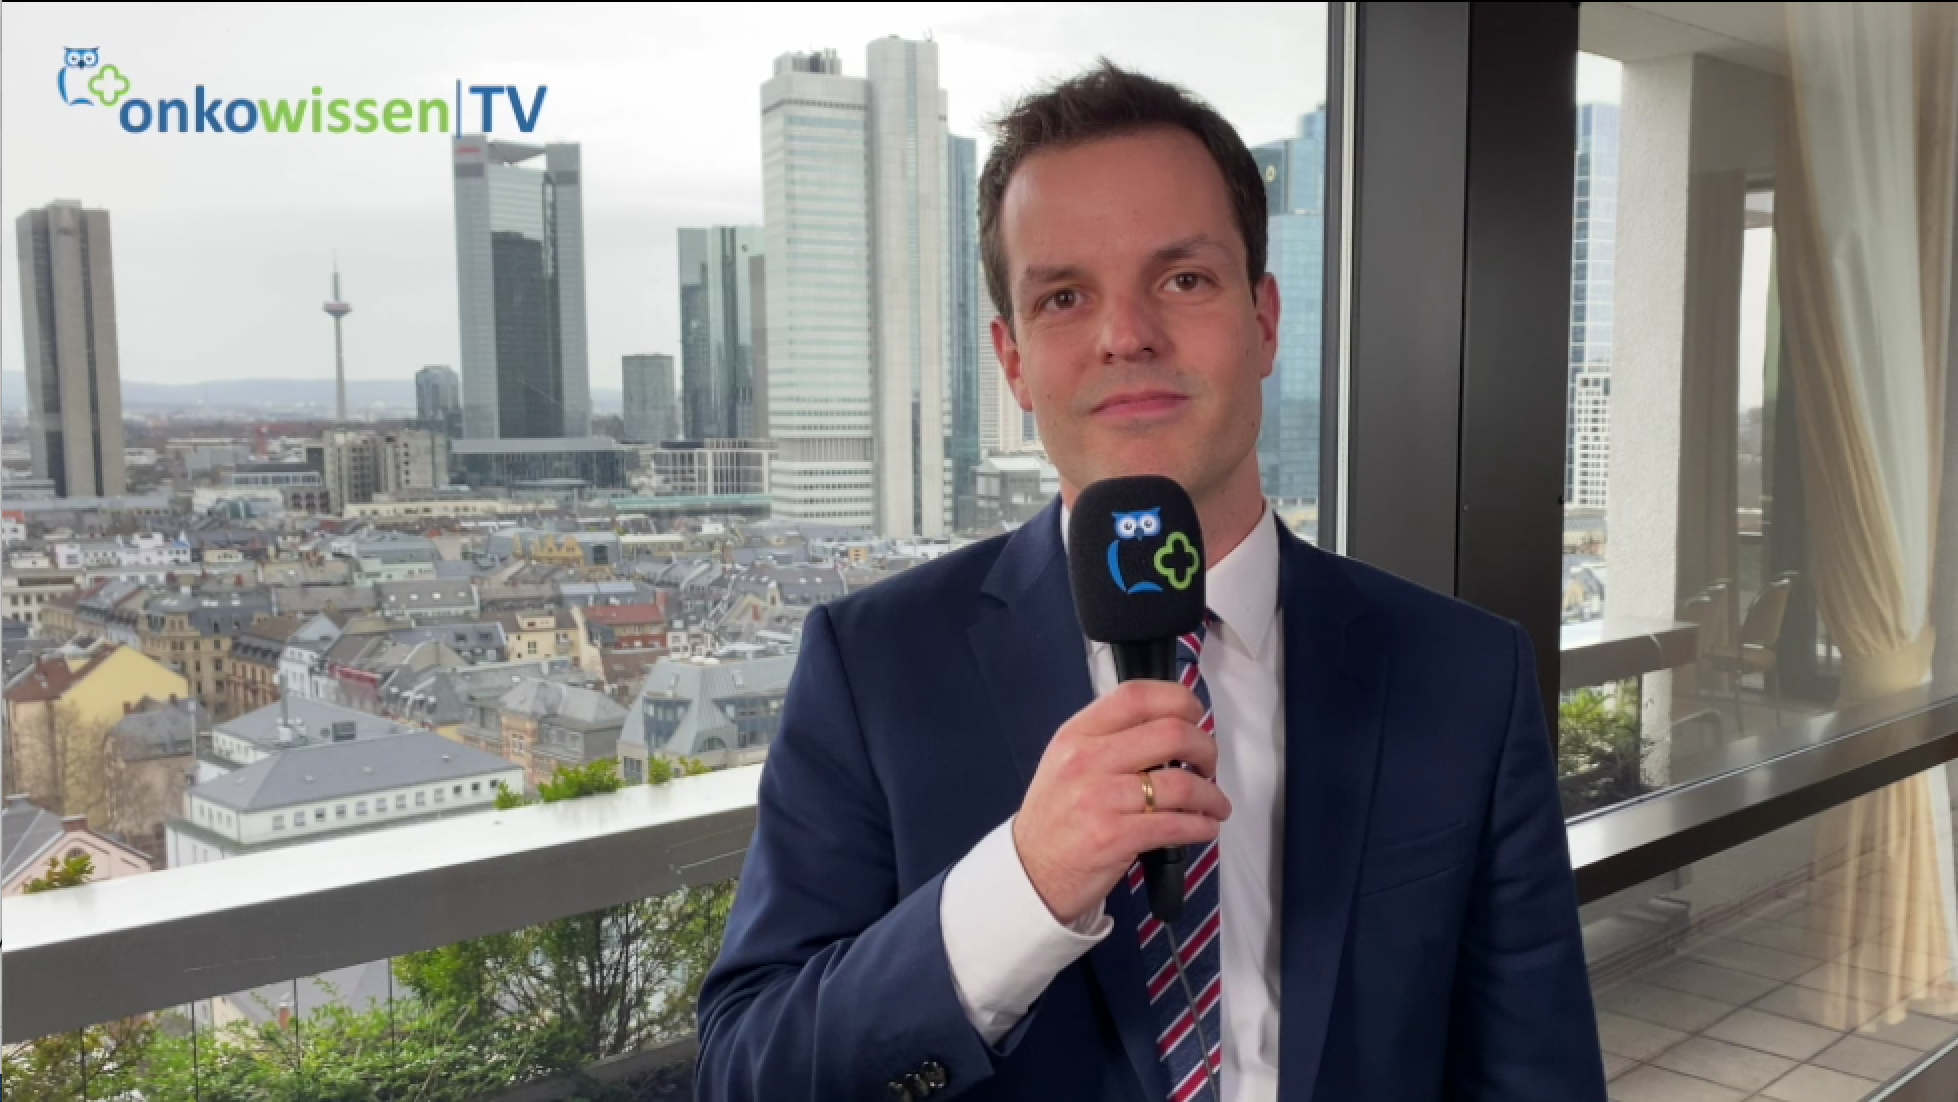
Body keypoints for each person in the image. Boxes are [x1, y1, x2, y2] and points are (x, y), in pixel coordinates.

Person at [696, 63, 1606, 1102]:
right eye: (1064, 296)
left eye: (1182, 280)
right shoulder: (873, 667)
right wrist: (1022, 884)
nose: (1124, 334)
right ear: (1012, 361)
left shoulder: (1466, 673)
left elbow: (1535, 1075)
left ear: (1264, 322)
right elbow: (748, 1071)